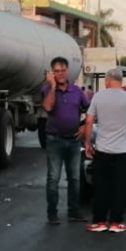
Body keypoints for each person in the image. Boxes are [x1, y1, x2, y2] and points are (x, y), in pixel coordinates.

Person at [82, 69, 126, 233]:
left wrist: (88, 143)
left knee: (101, 187)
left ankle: (100, 221)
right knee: (119, 187)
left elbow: (89, 122)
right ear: (121, 80)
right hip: (123, 151)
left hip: (103, 150)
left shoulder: (98, 97)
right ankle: (117, 222)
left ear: (107, 80)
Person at [41, 57, 89, 224]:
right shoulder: (47, 90)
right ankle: (52, 214)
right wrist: (53, 86)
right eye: (56, 71)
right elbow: (48, 107)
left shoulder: (77, 91)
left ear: (67, 72)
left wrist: (84, 127)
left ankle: (74, 211)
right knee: (53, 178)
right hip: (55, 140)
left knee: (74, 178)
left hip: (74, 141)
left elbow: (90, 110)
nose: (60, 74)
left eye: (62, 71)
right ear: (52, 73)